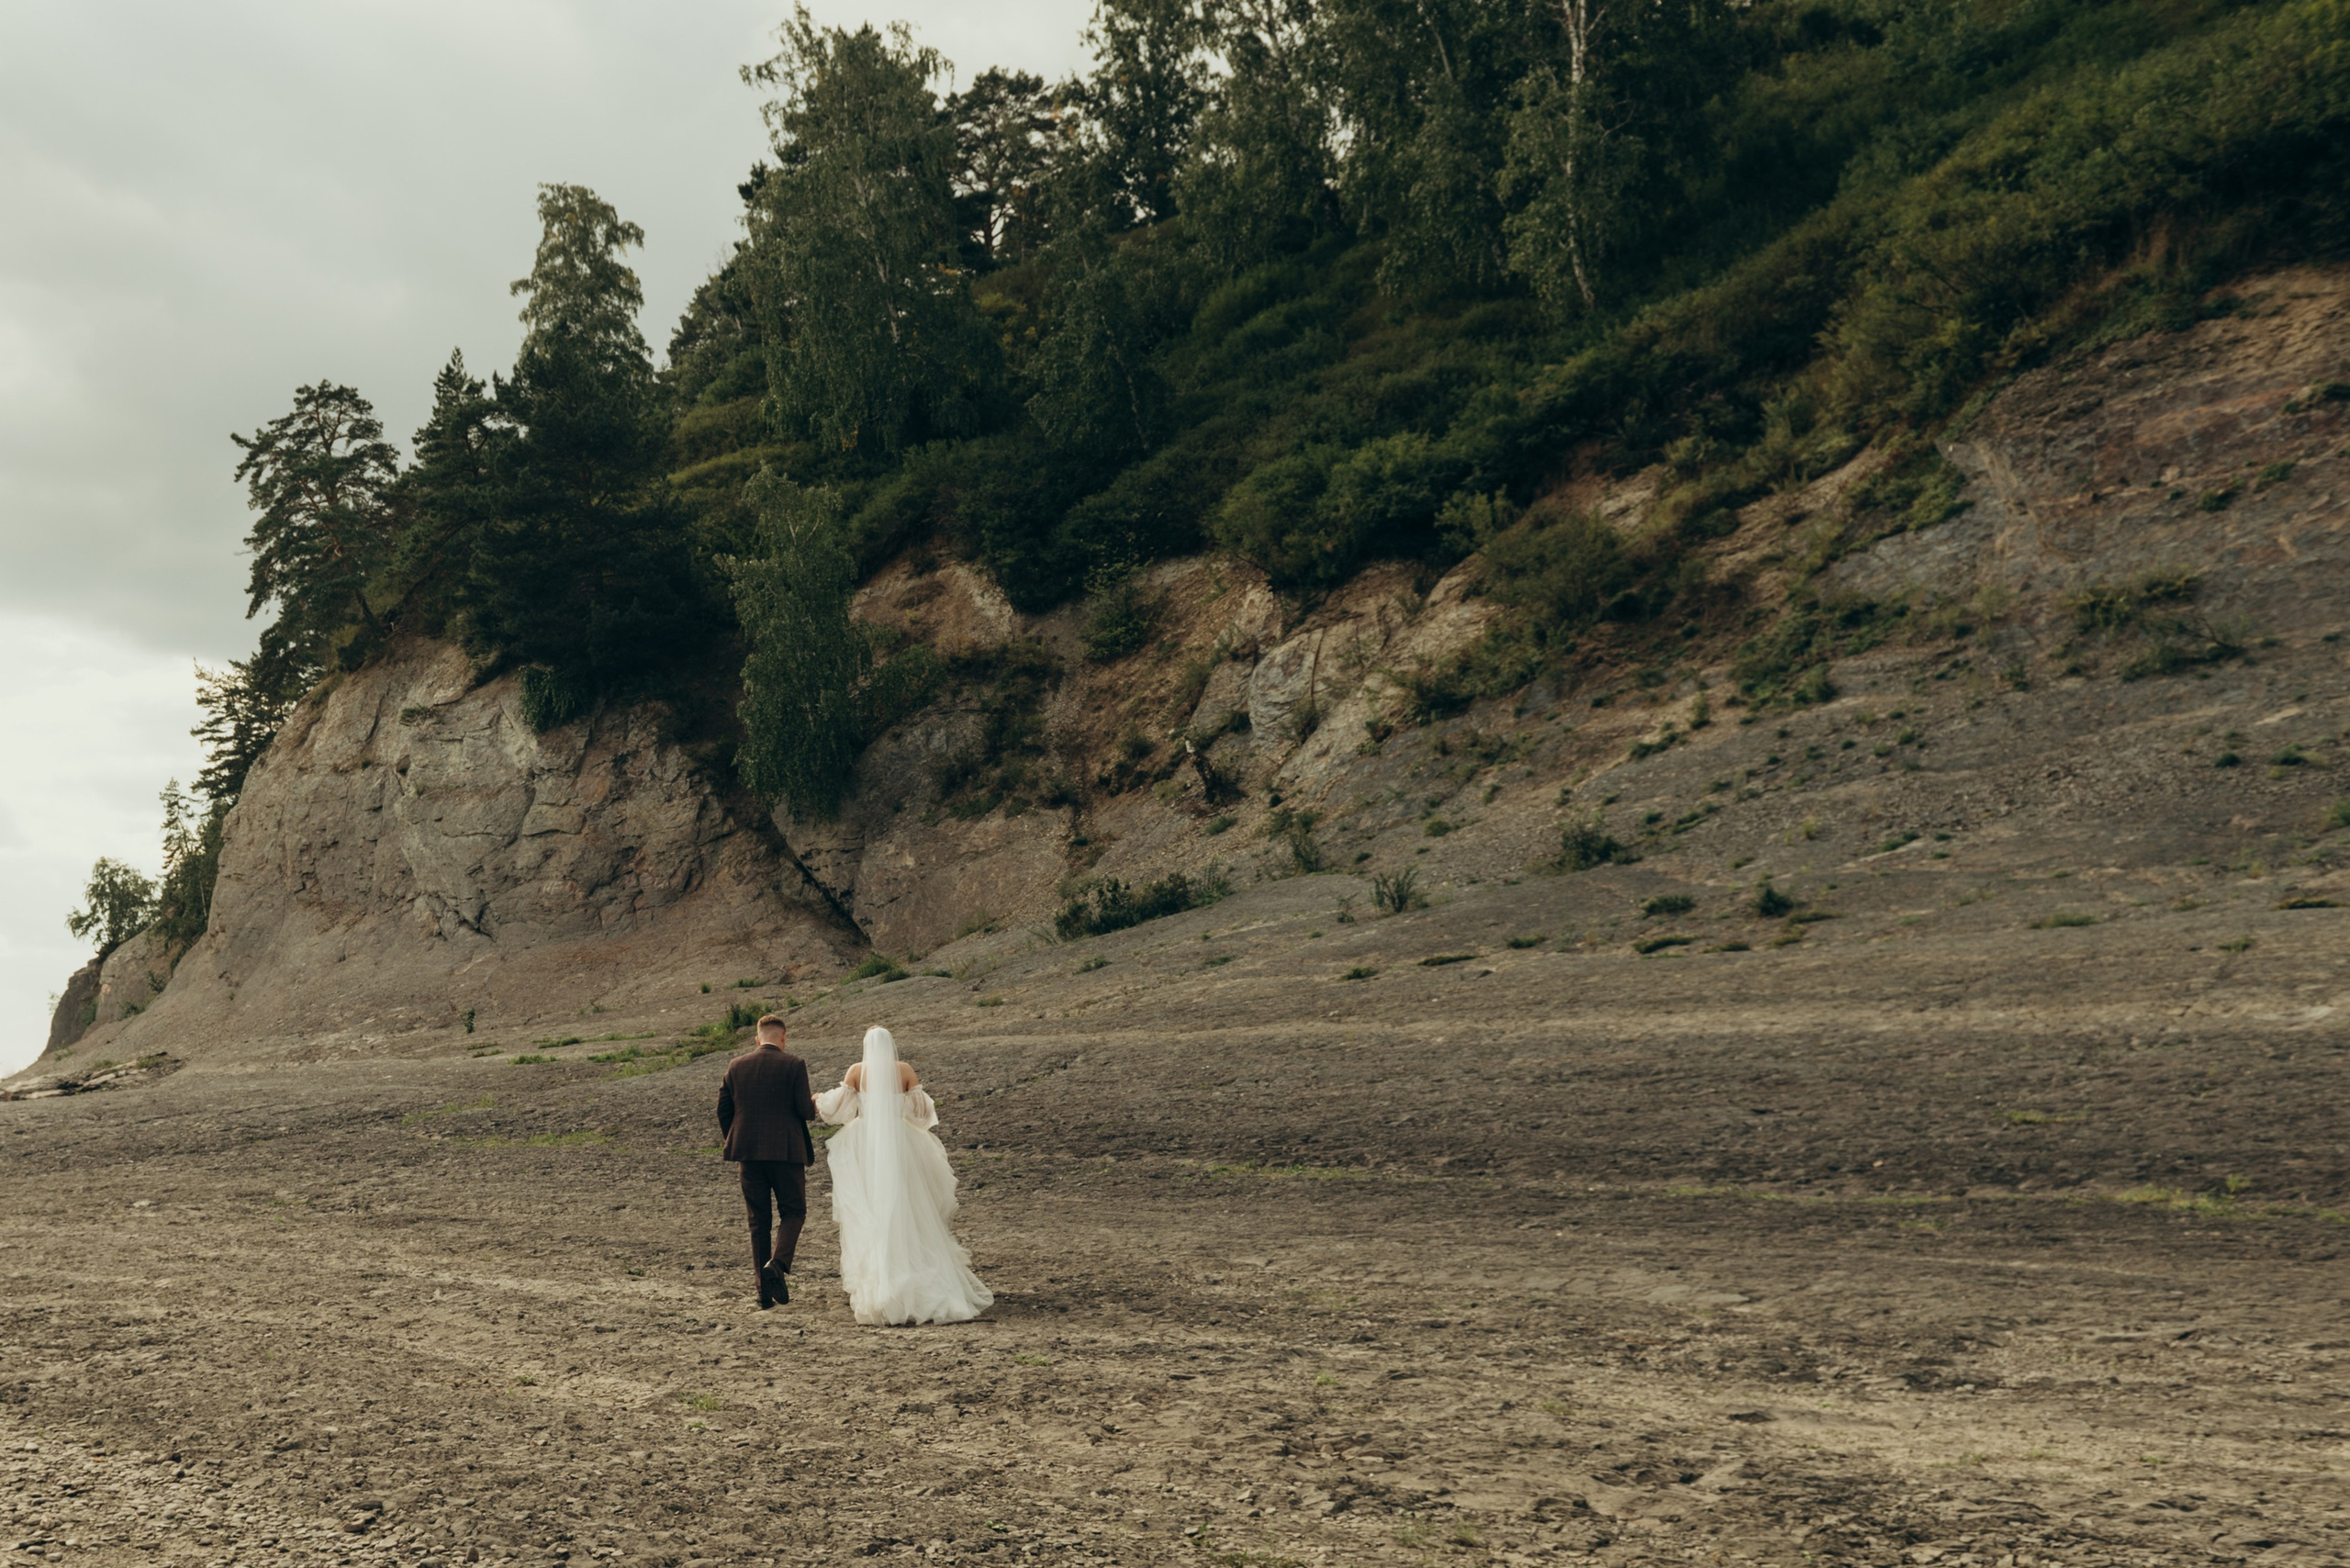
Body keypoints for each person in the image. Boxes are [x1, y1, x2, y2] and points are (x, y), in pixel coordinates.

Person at [815, 1026, 992, 1326]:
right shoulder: (905, 1070)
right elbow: (922, 1114)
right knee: (910, 1207)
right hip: (901, 1146)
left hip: (868, 1147)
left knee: (872, 1210)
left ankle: (882, 1286)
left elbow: (838, 1111)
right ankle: (918, 1274)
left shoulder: (857, 1071)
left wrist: (819, 1098)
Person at [716, 1014, 817, 1309]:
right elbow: (805, 1111)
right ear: (783, 1038)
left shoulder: (736, 1066)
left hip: (748, 1156)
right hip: (786, 1154)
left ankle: (762, 1295)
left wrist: (737, 1139)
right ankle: (778, 1264)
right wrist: (812, 1104)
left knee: (757, 1222)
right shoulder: (795, 1064)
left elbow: (723, 1110)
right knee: (794, 1211)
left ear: (757, 1039)